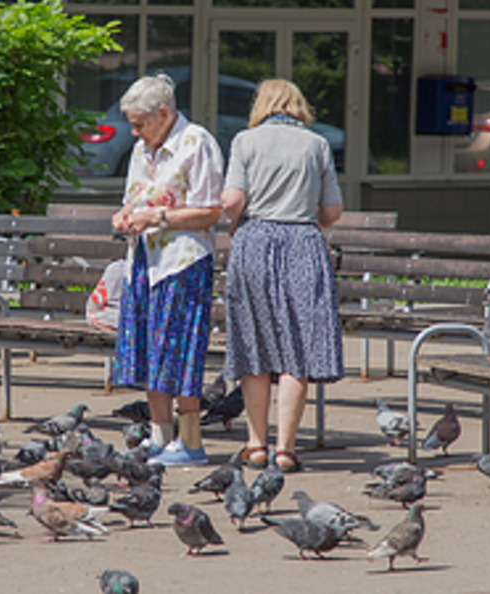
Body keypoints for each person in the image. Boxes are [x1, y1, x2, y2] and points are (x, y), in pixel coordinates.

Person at [221, 79, 345, 472]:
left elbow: (232, 200)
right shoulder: (317, 144)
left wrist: (235, 217)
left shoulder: (245, 141)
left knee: (254, 344)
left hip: (255, 241)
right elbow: (332, 213)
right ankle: (286, 450)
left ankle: (256, 446)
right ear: (298, 106)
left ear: (262, 105)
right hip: (303, 244)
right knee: (297, 351)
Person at [110, 74, 224, 466]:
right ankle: (160, 439)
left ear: (164, 113)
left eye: (140, 122)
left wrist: (158, 216)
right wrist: (124, 216)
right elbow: (132, 199)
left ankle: (191, 444)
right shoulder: (144, 149)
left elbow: (211, 211)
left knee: (179, 353)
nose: (134, 130)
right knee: (149, 351)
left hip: (183, 262)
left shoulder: (197, 143)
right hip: (144, 260)